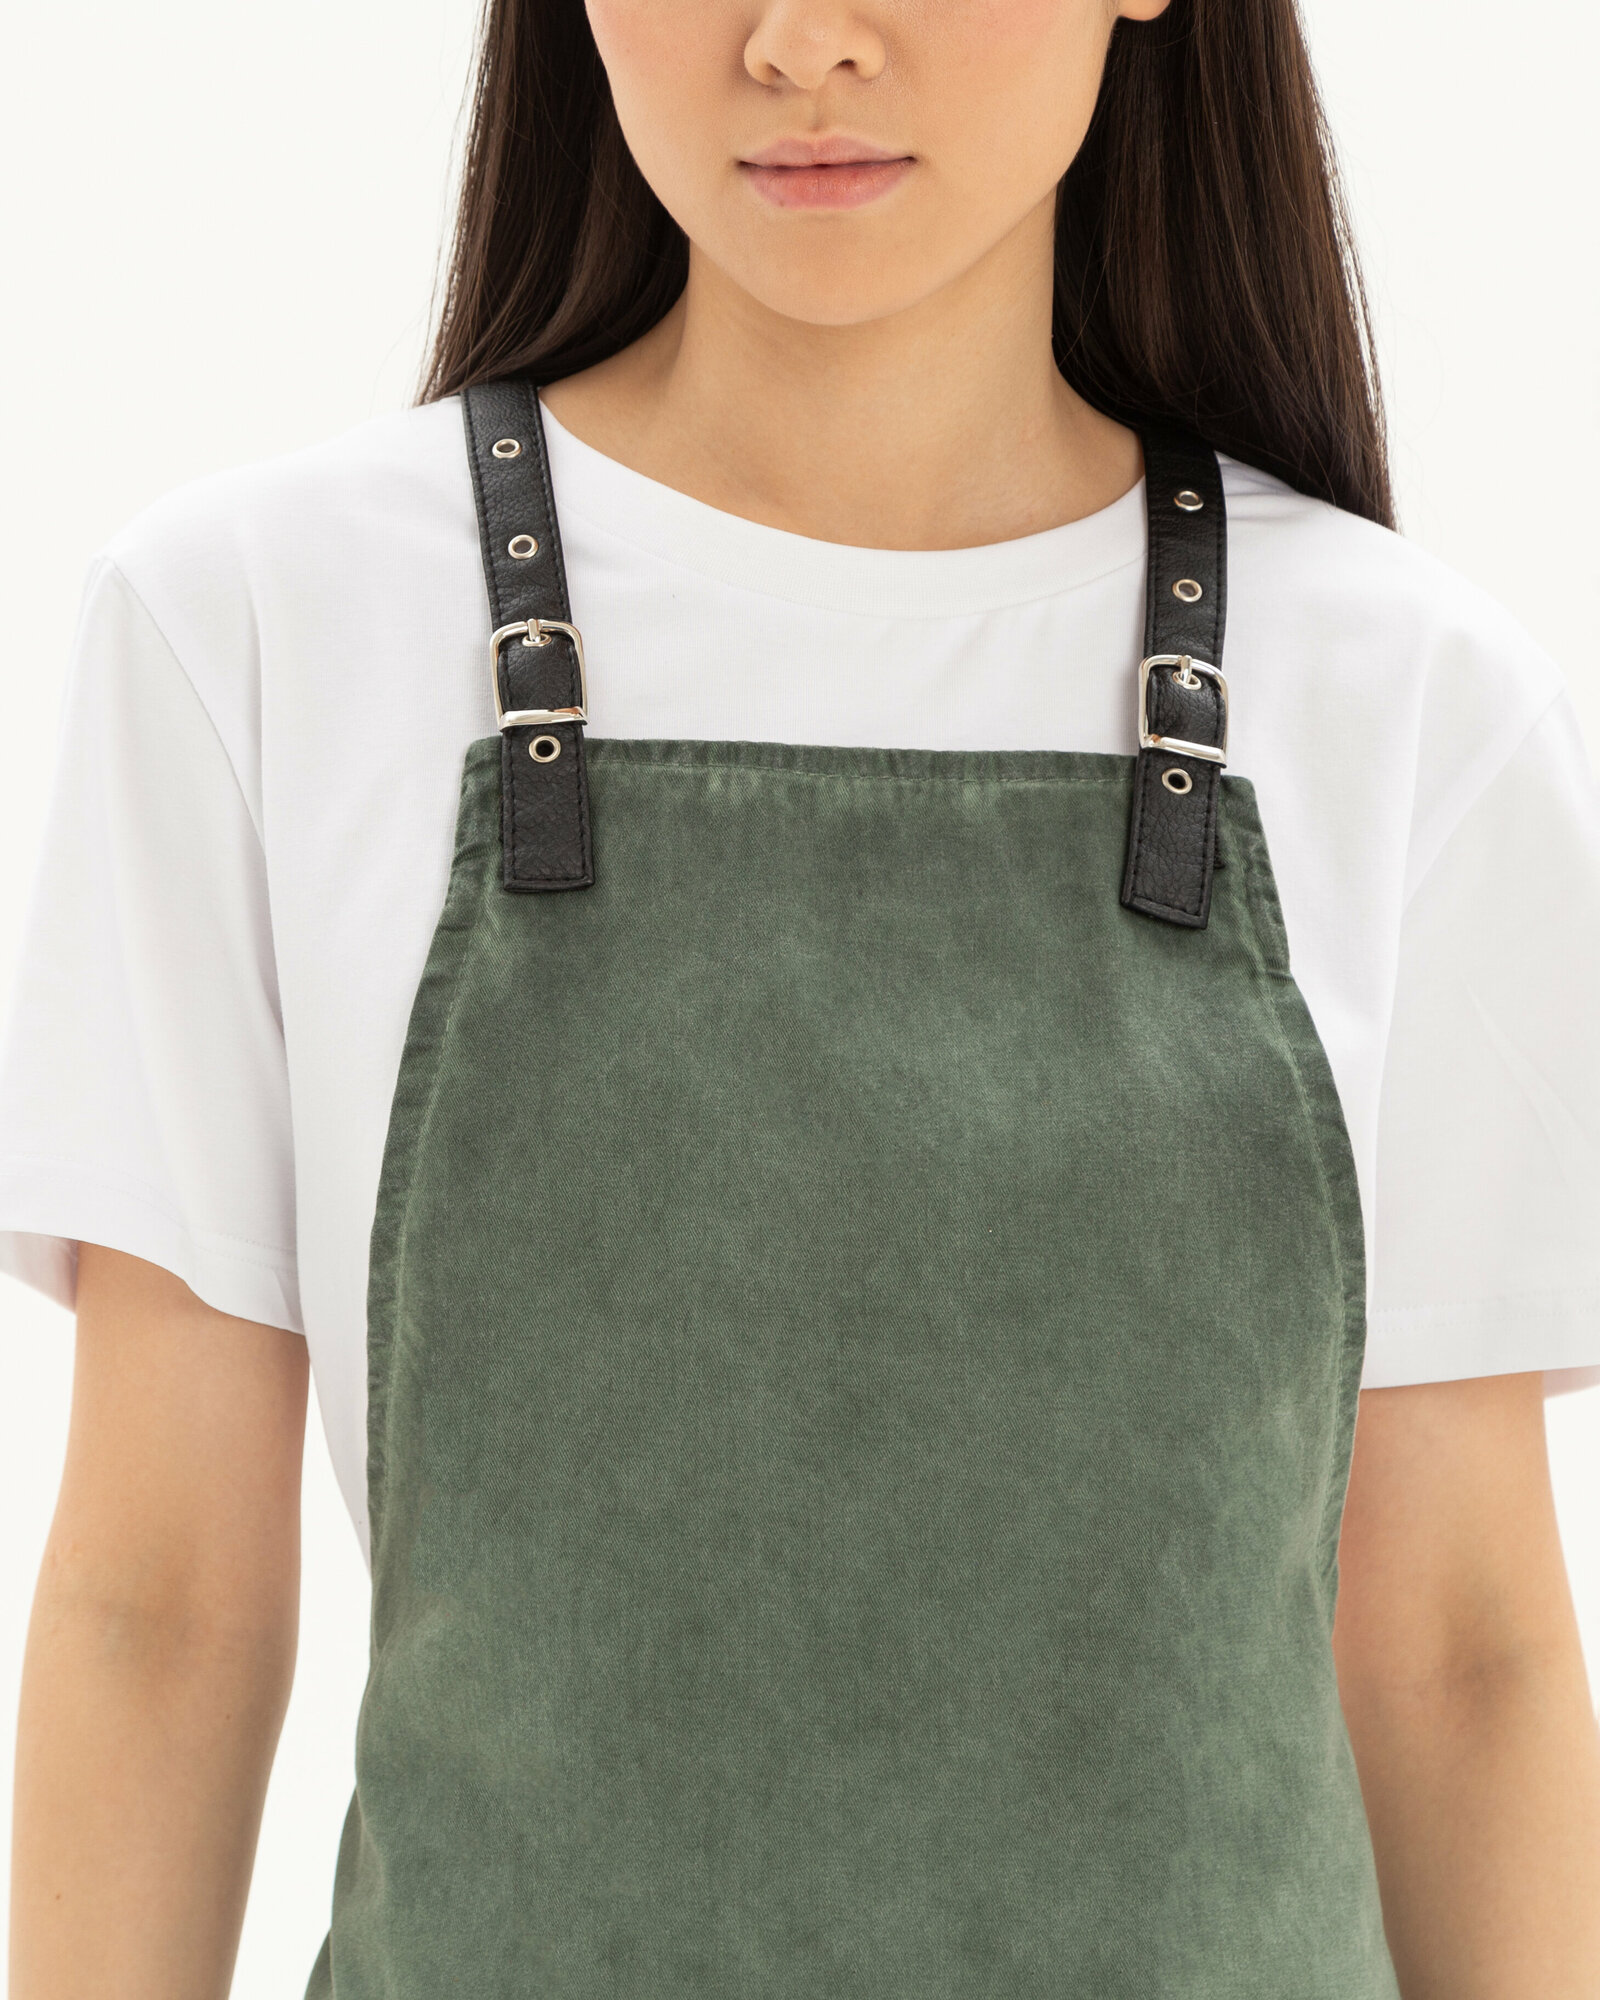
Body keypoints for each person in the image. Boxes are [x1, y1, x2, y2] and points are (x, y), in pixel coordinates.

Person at [5, 0, 1600, 1992]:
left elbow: (1458, 1656)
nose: (801, 42)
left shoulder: (1411, 701)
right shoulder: (255, 626)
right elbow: (158, 1611)